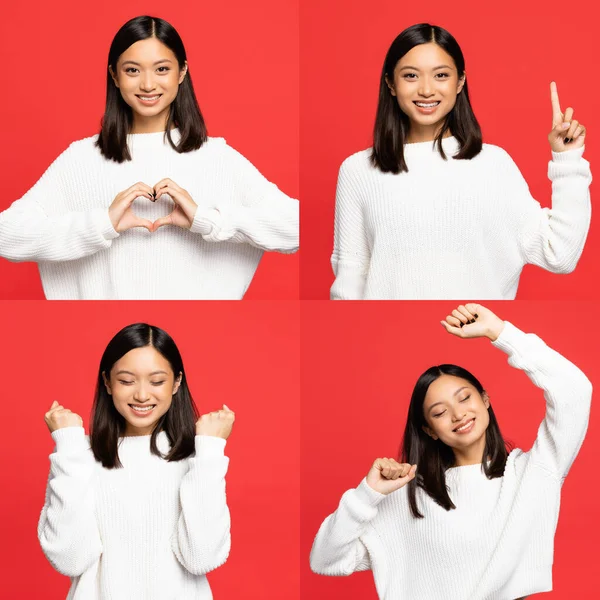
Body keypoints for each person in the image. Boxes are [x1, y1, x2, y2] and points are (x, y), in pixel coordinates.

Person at [0, 15, 298, 300]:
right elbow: (6, 234)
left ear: (182, 72)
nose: (147, 85)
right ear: (114, 75)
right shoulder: (80, 160)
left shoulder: (216, 157)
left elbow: (295, 228)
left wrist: (206, 220)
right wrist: (101, 224)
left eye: (161, 69)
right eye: (132, 70)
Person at [310, 303, 592, 600]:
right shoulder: (409, 498)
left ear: (485, 399)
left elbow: (574, 391)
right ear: (429, 430)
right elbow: (325, 560)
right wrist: (368, 493)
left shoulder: (532, 473)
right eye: (440, 412)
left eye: (464, 398)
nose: (458, 415)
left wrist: (500, 332)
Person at [330, 23, 591, 300]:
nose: (427, 90)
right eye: (411, 76)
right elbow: (349, 284)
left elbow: (560, 254)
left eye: (441, 75)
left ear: (460, 82)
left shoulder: (492, 165)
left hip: (469, 338)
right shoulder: (357, 171)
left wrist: (568, 159)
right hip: (387, 338)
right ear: (391, 84)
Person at [38, 323, 235, 600]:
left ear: (177, 382)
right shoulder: (78, 457)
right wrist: (69, 446)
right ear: (107, 382)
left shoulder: (198, 458)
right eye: (126, 381)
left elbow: (201, 557)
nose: (142, 395)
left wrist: (211, 452)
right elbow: (70, 558)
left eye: (157, 381)